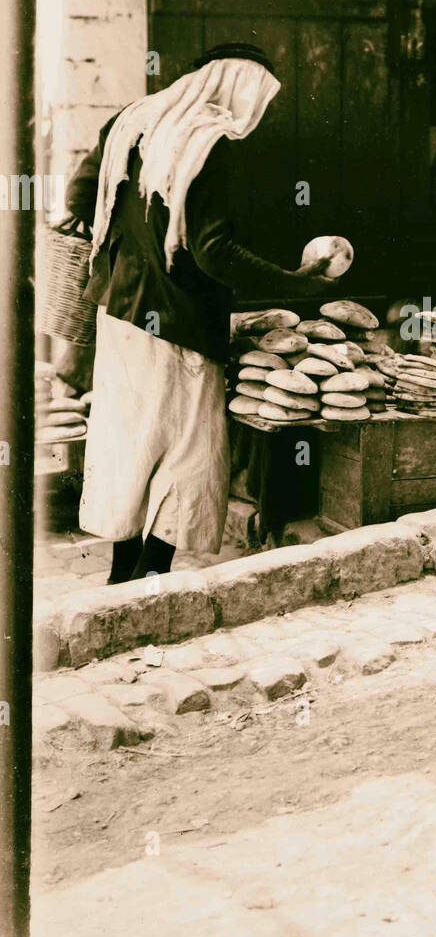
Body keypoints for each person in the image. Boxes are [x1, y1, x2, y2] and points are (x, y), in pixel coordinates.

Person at [65, 43, 339, 585]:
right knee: (189, 454)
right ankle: (151, 578)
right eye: (256, 99)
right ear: (234, 87)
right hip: (180, 323)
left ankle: (121, 579)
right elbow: (214, 251)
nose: (252, 115)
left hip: (120, 314)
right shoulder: (208, 143)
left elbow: (78, 198)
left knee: (131, 442)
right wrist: (294, 282)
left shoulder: (131, 121)